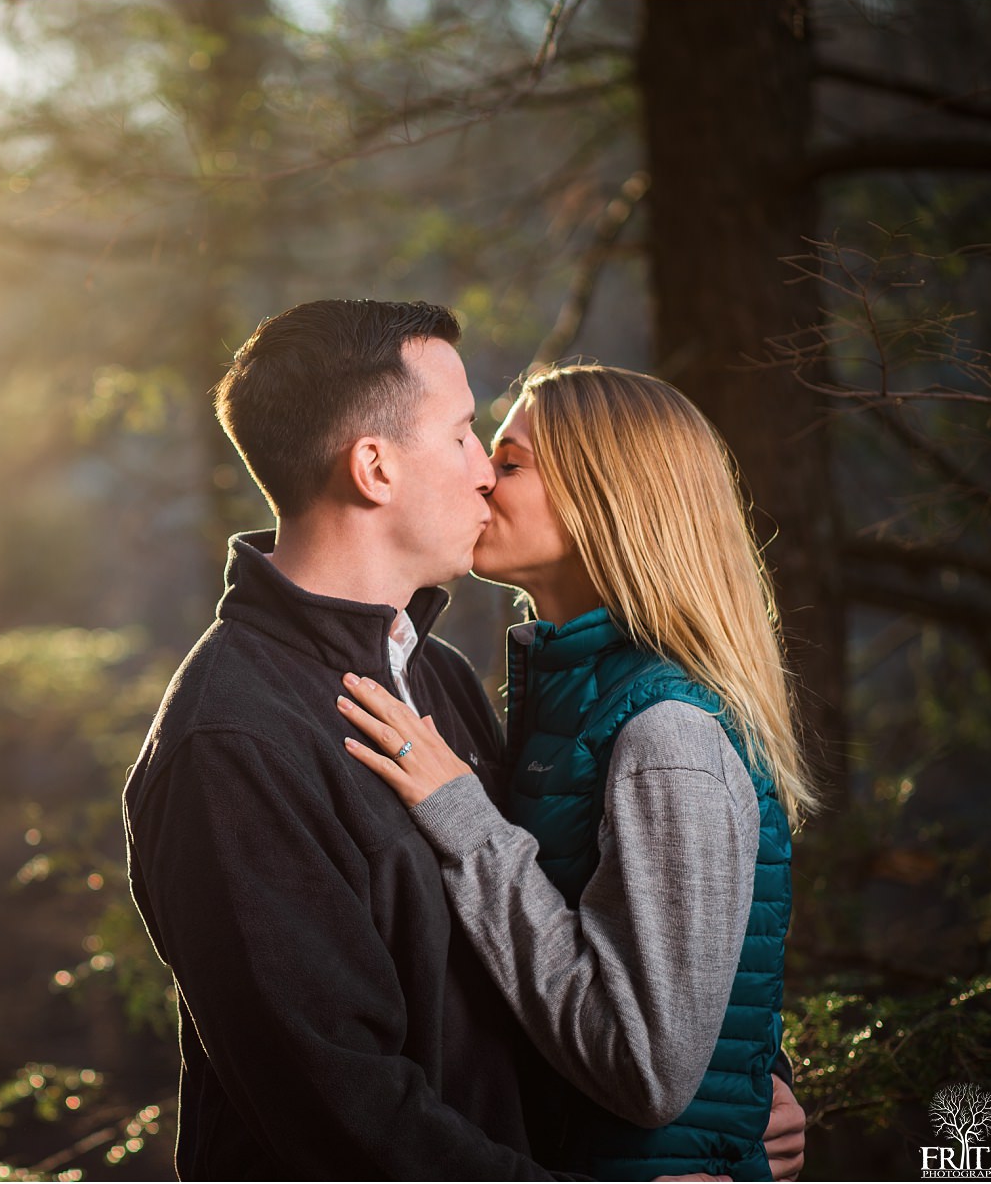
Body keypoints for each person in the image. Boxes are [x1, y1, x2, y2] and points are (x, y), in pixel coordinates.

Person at [124, 304, 805, 1181]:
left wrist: (739, 1082)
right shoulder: (233, 738)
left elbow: (557, 928)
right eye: (461, 436)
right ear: (374, 467)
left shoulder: (436, 676)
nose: (484, 472)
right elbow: (335, 1109)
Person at [336, 364, 814, 1180]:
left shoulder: (666, 735)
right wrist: (747, 1083)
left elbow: (648, 1067)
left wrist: (464, 817)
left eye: (509, 460)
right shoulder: (572, 706)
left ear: (606, 495)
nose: (481, 475)